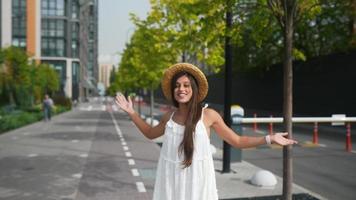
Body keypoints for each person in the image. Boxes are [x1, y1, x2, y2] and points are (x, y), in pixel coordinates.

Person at [115, 63, 297, 200]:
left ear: (193, 89)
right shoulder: (168, 117)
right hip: (171, 183)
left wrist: (269, 138)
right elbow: (150, 133)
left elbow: (237, 141)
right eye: (177, 85)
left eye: (186, 85)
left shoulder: (208, 115)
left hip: (198, 186)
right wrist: (131, 112)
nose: (181, 89)